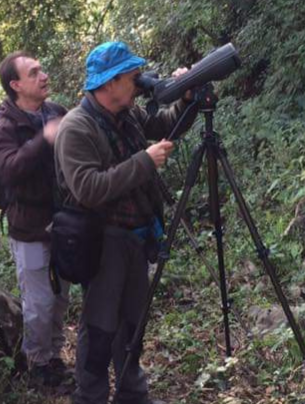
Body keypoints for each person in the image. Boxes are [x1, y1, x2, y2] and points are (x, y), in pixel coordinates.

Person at [54, 42, 198, 404]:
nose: (138, 80)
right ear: (109, 83)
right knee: (100, 327)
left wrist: (186, 99)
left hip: (136, 236)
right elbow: (88, 189)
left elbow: (165, 125)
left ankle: (133, 394)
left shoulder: (127, 113)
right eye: (131, 76)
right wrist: (144, 162)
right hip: (103, 242)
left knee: (133, 322)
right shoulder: (77, 127)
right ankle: (91, 397)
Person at [0, 51, 70, 387]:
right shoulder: (3, 125)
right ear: (16, 85)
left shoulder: (55, 112)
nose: (43, 75)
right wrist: (44, 139)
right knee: (38, 301)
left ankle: (55, 356)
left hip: (65, 221)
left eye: (42, 69)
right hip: (28, 227)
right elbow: (8, 171)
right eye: (34, 72)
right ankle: (38, 364)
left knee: (62, 296)